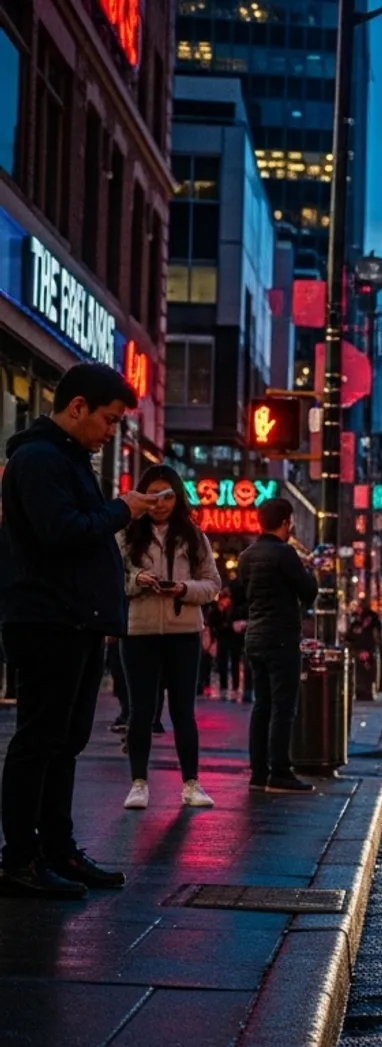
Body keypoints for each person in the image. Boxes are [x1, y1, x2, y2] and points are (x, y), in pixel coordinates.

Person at [0, 363, 159, 899]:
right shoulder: (39, 459)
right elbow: (61, 532)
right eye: (109, 419)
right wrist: (121, 510)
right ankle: (19, 859)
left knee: (64, 742)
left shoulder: (67, 459)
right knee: (39, 740)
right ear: (77, 408)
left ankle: (57, 848)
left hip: (76, 620)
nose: (111, 431)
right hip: (48, 620)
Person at [118, 466, 222, 811]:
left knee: (183, 711)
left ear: (177, 498)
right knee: (140, 711)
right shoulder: (126, 535)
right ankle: (138, 783)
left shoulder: (193, 536)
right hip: (139, 631)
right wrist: (138, 580)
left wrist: (183, 589)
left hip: (184, 632)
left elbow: (212, 584)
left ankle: (191, 783)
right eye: (153, 495)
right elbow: (113, 578)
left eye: (167, 496)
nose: (160, 503)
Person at [229, 498, 318, 794]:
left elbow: (244, 594)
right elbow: (308, 592)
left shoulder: (247, 555)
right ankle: (280, 771)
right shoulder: (285, 553)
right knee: (283, 706)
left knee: (262, 705)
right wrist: (311, 570)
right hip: (281, 637)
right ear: (286, 521)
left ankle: (259, 773)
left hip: (255, 636)